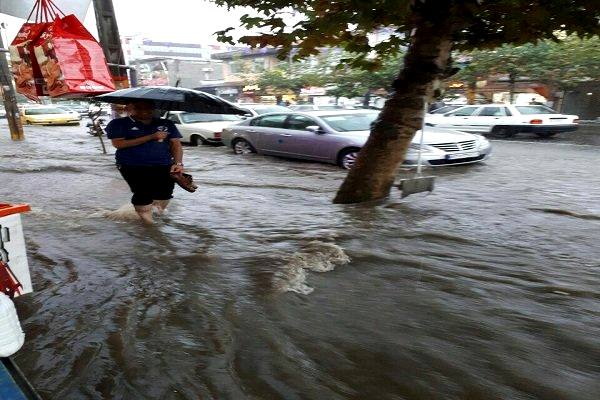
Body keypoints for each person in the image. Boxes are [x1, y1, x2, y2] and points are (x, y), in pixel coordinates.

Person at [105, 100, 184, 224]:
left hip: (163, 164)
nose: (144, 111)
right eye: (139, 108)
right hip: (131, 165)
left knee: (165, 193)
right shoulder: (118, 123)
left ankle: (153, 212)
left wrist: (178, 163)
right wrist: (151, 136)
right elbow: (118, 144)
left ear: (154, 108)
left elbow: (176, 144)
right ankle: (149, 225)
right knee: (142, 192)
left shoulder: (166, 123)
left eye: (148, 108)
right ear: (131, 108)